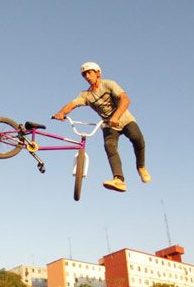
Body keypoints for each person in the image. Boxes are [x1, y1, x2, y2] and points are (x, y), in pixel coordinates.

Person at [52, 61, 149, 193]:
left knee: (137, 138)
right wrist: (61, 113)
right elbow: (73, 103)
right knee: (109, 146)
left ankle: (141, 167)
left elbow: (125, 99)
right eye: (84, 74)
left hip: (124, 118)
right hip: (108, 124)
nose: (87, 76)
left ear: (98, 73)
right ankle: (119, 180)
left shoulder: (108, 84)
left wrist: (116, 116)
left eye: (89, 73)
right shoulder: (86, 95)